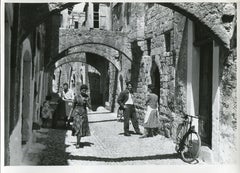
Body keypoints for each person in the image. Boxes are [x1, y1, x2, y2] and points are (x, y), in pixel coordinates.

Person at [68, 84, 91, 148]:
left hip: (83, 114)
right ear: (80, 90)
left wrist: (87, 102)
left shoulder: (87, 97)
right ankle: (78, 142)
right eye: (83, 90)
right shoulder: (77, 97)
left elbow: (90, 107)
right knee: (78, 128)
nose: (84, 92)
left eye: (85, 91)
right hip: (77, 113)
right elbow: (73, 107)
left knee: (81, 128)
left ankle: (78, 142)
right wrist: (69, 115)